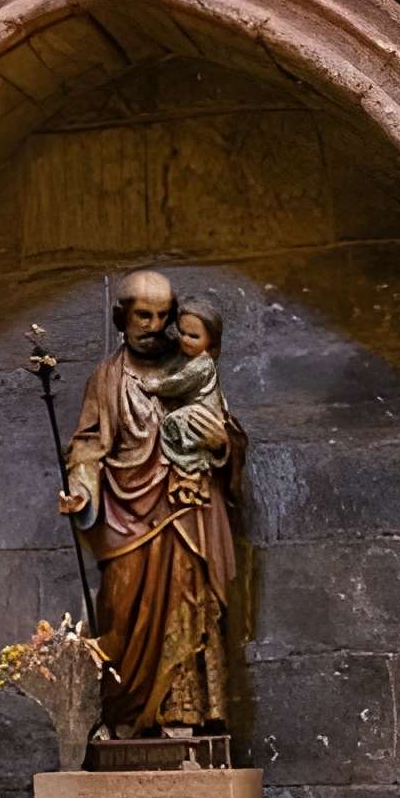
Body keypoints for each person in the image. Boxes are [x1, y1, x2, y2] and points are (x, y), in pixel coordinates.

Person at [60, 267, 242, 738]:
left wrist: (222, 442)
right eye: (144, 315)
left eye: (164, 315)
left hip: (186, 511)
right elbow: (87, 445)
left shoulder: (191, 366)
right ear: (121, 318)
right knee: (121, 612)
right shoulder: (107, 379)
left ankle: (182, 719)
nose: (155, 326)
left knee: (187, 607)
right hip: (125, 517)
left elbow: (226, 434)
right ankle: (125, 717)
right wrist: (81, 490)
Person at [156, 295, 230, 486]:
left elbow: (177, 383)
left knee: (173, 424)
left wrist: (152, 384)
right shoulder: (185, 357)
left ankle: (192, 462)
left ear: (210, 341)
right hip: (194, 410)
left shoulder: (202, 364)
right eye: (182, 332)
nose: (185, 340)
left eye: (194, 336)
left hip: (203, 416)